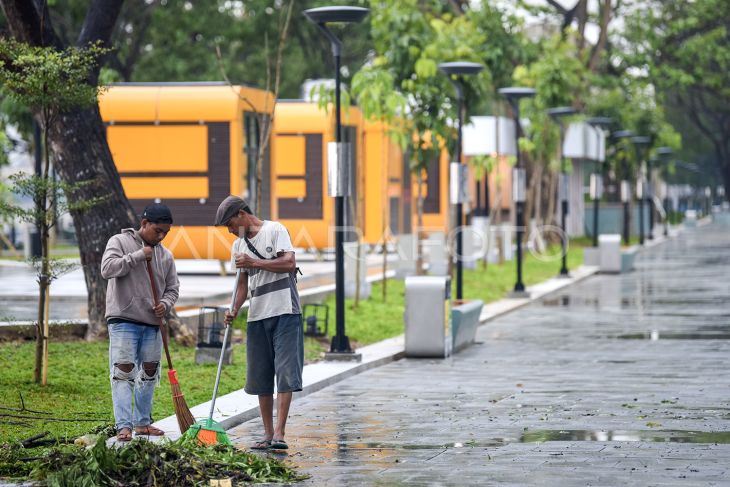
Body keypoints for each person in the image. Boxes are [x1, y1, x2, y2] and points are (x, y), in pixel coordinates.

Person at [215, 195, 302, 451]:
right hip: (257, 315)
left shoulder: (275, 230)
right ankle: (266, 433)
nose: (230, 231)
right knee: (261, 376)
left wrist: (255, 262)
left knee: (285, 372)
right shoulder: (237, 247)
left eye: (230, 224)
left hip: (285, 310)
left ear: (242, 214)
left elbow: (289, 262)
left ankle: (279, 433)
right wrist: (234, 309)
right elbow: (242, 285)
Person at [101, 203, 179, 442]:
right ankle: (123, 426)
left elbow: (173, 289)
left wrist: (164, 305)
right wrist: (137, 256)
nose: (162, 236)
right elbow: (107, 269)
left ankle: (143, 423)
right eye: (158, 230)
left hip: (151, 323)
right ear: (144, 224)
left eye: (166, 232)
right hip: (123, 320)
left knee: (149, 373)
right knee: (123, 373)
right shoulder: (119, 241)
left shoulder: (165, 255)